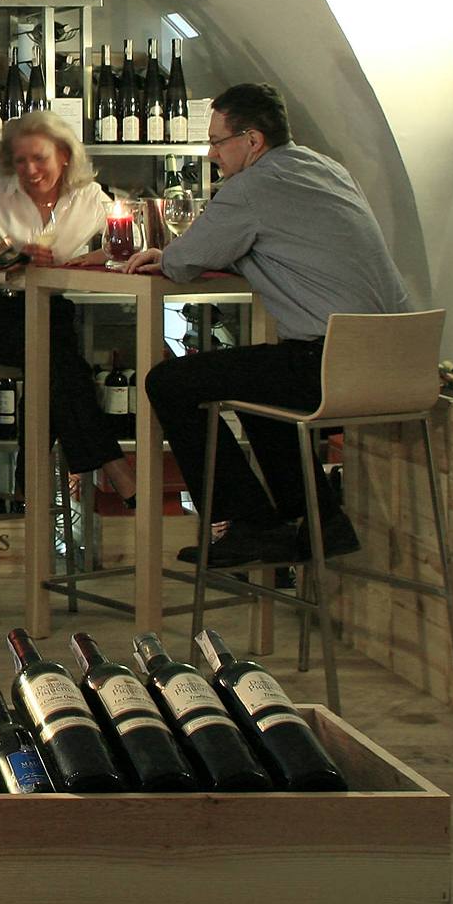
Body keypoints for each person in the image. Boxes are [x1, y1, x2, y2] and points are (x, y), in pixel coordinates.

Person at [124, 81, 410, 566]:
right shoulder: (327, 168)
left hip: (330, 364)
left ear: (252, 140)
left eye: (217, 142)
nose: (212, 154)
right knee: (259, 386)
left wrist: (163, 255)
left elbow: (184, 261)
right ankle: (322, 522)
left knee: (169, 382)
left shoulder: (250, 187)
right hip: (398, 363)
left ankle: (250, 525)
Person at [0, 108, 139, 501]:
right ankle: (114, 467)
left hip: (50, 313)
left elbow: (132, 244)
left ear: (64, 155)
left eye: (39, 158)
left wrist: (100, 255)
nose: (30, 170)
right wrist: (12, 263)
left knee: (54, 365)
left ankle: (29, 486)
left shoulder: (89, 197)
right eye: (20, 160)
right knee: (58, 362)